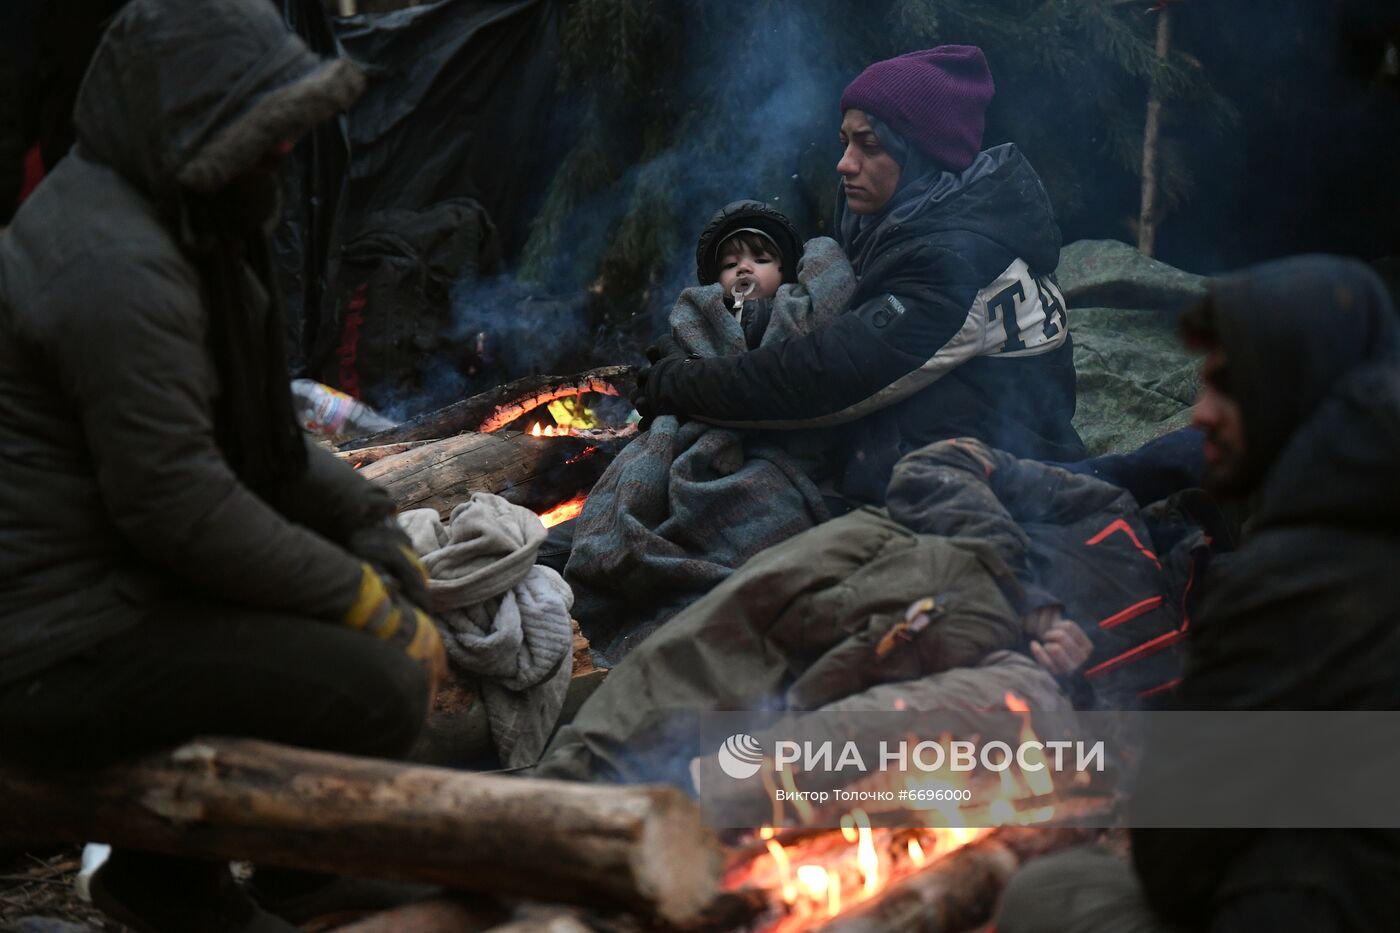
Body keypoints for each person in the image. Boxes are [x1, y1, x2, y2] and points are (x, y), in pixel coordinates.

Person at [0, 1, 446, 930]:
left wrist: (368, 521)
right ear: (194, 128)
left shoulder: (185, 222)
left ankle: (268, 870)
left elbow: (264, 453)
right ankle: (210, 884)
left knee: (381, 599)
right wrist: (359, 601)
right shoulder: (111, 266)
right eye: (264, 132)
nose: (283, 153)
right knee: (376, 681)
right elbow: (178, 505)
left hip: (121, 594)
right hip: (51, 648)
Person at [995, 255, 1400, 933]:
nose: (1200, 413)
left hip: (1310, 902)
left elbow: (1174, 849)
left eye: (1225, 387)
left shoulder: (1290, 582)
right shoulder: (1358, 519)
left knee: (1048, 894)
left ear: (1288, 392)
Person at [634, 46, 1085, 505]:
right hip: (945, 433)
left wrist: (678, 384)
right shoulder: (916, 214)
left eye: (869, 145)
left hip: (1006, 473)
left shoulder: (953, 258)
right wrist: (729, 328)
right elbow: (843, 324)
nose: (845, 163)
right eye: (845, 142)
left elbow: (824, 380)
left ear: (923, 156)